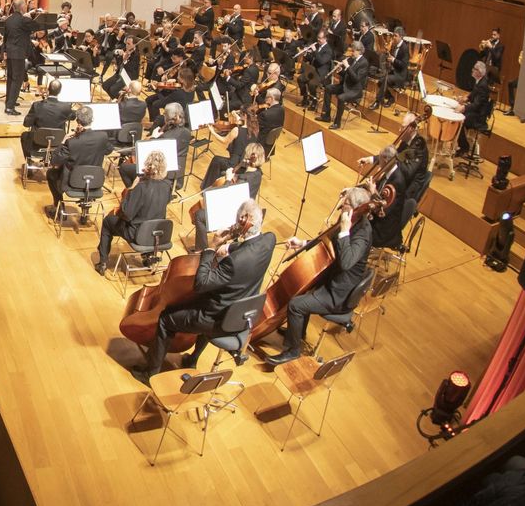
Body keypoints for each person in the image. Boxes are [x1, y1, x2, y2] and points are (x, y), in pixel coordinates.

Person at [134, 199, 276, 382]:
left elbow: (201, 283)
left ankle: (150, 374)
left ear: (243, 222)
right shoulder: (269, 240)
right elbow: (249, 247)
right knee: (202, 301)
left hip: (216, 317)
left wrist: (211, 248)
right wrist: (229, 246)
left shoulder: (234, 262)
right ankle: (192, 359)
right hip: (239, 313)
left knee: (166, 319)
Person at [269, 187, 376, 365]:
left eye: (345, 204)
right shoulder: (349, 220)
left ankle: (293, 351)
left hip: (339, 293)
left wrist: (344, 231)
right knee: (304, 288)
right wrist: (302, 243)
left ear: (355, 209)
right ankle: (297, 333)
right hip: (332, 278)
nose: (341, 206)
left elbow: (346, 262)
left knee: (296, 305)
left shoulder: (362, 234)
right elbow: (328, 242)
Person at [95, 151, 175, 274]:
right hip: (158, 234)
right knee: (151, 218)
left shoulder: (141, 187)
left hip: (137, 234)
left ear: (147, 167)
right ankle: (148, 256)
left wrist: (131, 189)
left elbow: (126, 214)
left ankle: (103, 263)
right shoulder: (167, 186)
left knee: (107, 222)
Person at [45, 104, 114, 219]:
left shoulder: (72, 142)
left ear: (77, 121)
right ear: (92, 119)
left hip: (72, 183)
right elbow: (109, 150)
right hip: (94, 182)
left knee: (51, 173)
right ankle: (85, 210)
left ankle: (59, 208)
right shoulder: (103, 136)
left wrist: (63, 141)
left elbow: (55, 161)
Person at [0, 0, 35, 114]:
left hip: (10, 52)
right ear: (22, 7)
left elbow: (5, 38)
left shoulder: (8, 20)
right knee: (18, 79)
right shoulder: (23, 20)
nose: (26, 6)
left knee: (11, 78)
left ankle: (9, 101)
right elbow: (36, 26)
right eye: (25, 4)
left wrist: (4, 52)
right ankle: (10, 107)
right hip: (18, 54)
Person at [458, 59, 493, 159]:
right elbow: (474, 94)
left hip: (479, 117)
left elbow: (477, 105)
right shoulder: (480, 81)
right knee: (459, 116)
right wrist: (466, 98)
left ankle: (464, 147)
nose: (472, 70)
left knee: (460, 120)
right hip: (477, 112)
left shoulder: (483, 85)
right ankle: (462, 145)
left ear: (479, 72)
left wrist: (464, 107)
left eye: (474, 69)